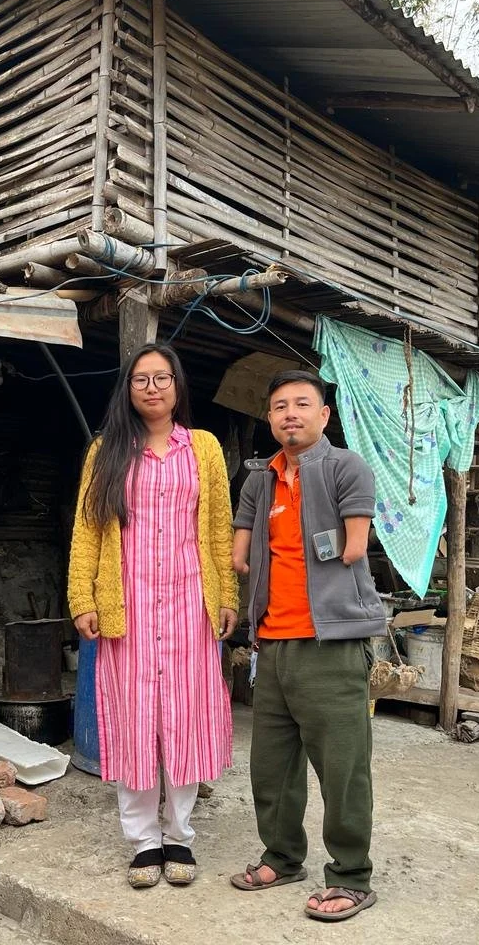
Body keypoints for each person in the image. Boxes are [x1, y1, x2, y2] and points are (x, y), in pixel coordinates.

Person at [68, 343, 239, 889]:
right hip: (129, 605)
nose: (152, 387)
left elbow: (219, 528)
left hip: (191, 602)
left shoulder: (204, 448)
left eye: (162, 377)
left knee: (185, 717)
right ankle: (144, 841)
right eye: (141, 379)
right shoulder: (106, 451)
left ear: (177, 385)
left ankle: (179, 835)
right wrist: (83, 598)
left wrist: (227, 594)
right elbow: (87, 530)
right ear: (128, 389)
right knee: (135, 719)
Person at [229, 369, 386, 923]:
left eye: (301, 404)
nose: (289, 414)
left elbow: (352, 547)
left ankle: (350, 875)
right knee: (271, 766)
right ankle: (282, 857)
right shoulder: (260, 480)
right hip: (272, 643)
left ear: (323, 415)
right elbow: (240, 556)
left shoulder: (345, 466)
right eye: (279, 406)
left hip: (331, 642)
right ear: (269, 418)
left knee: (342, 768)